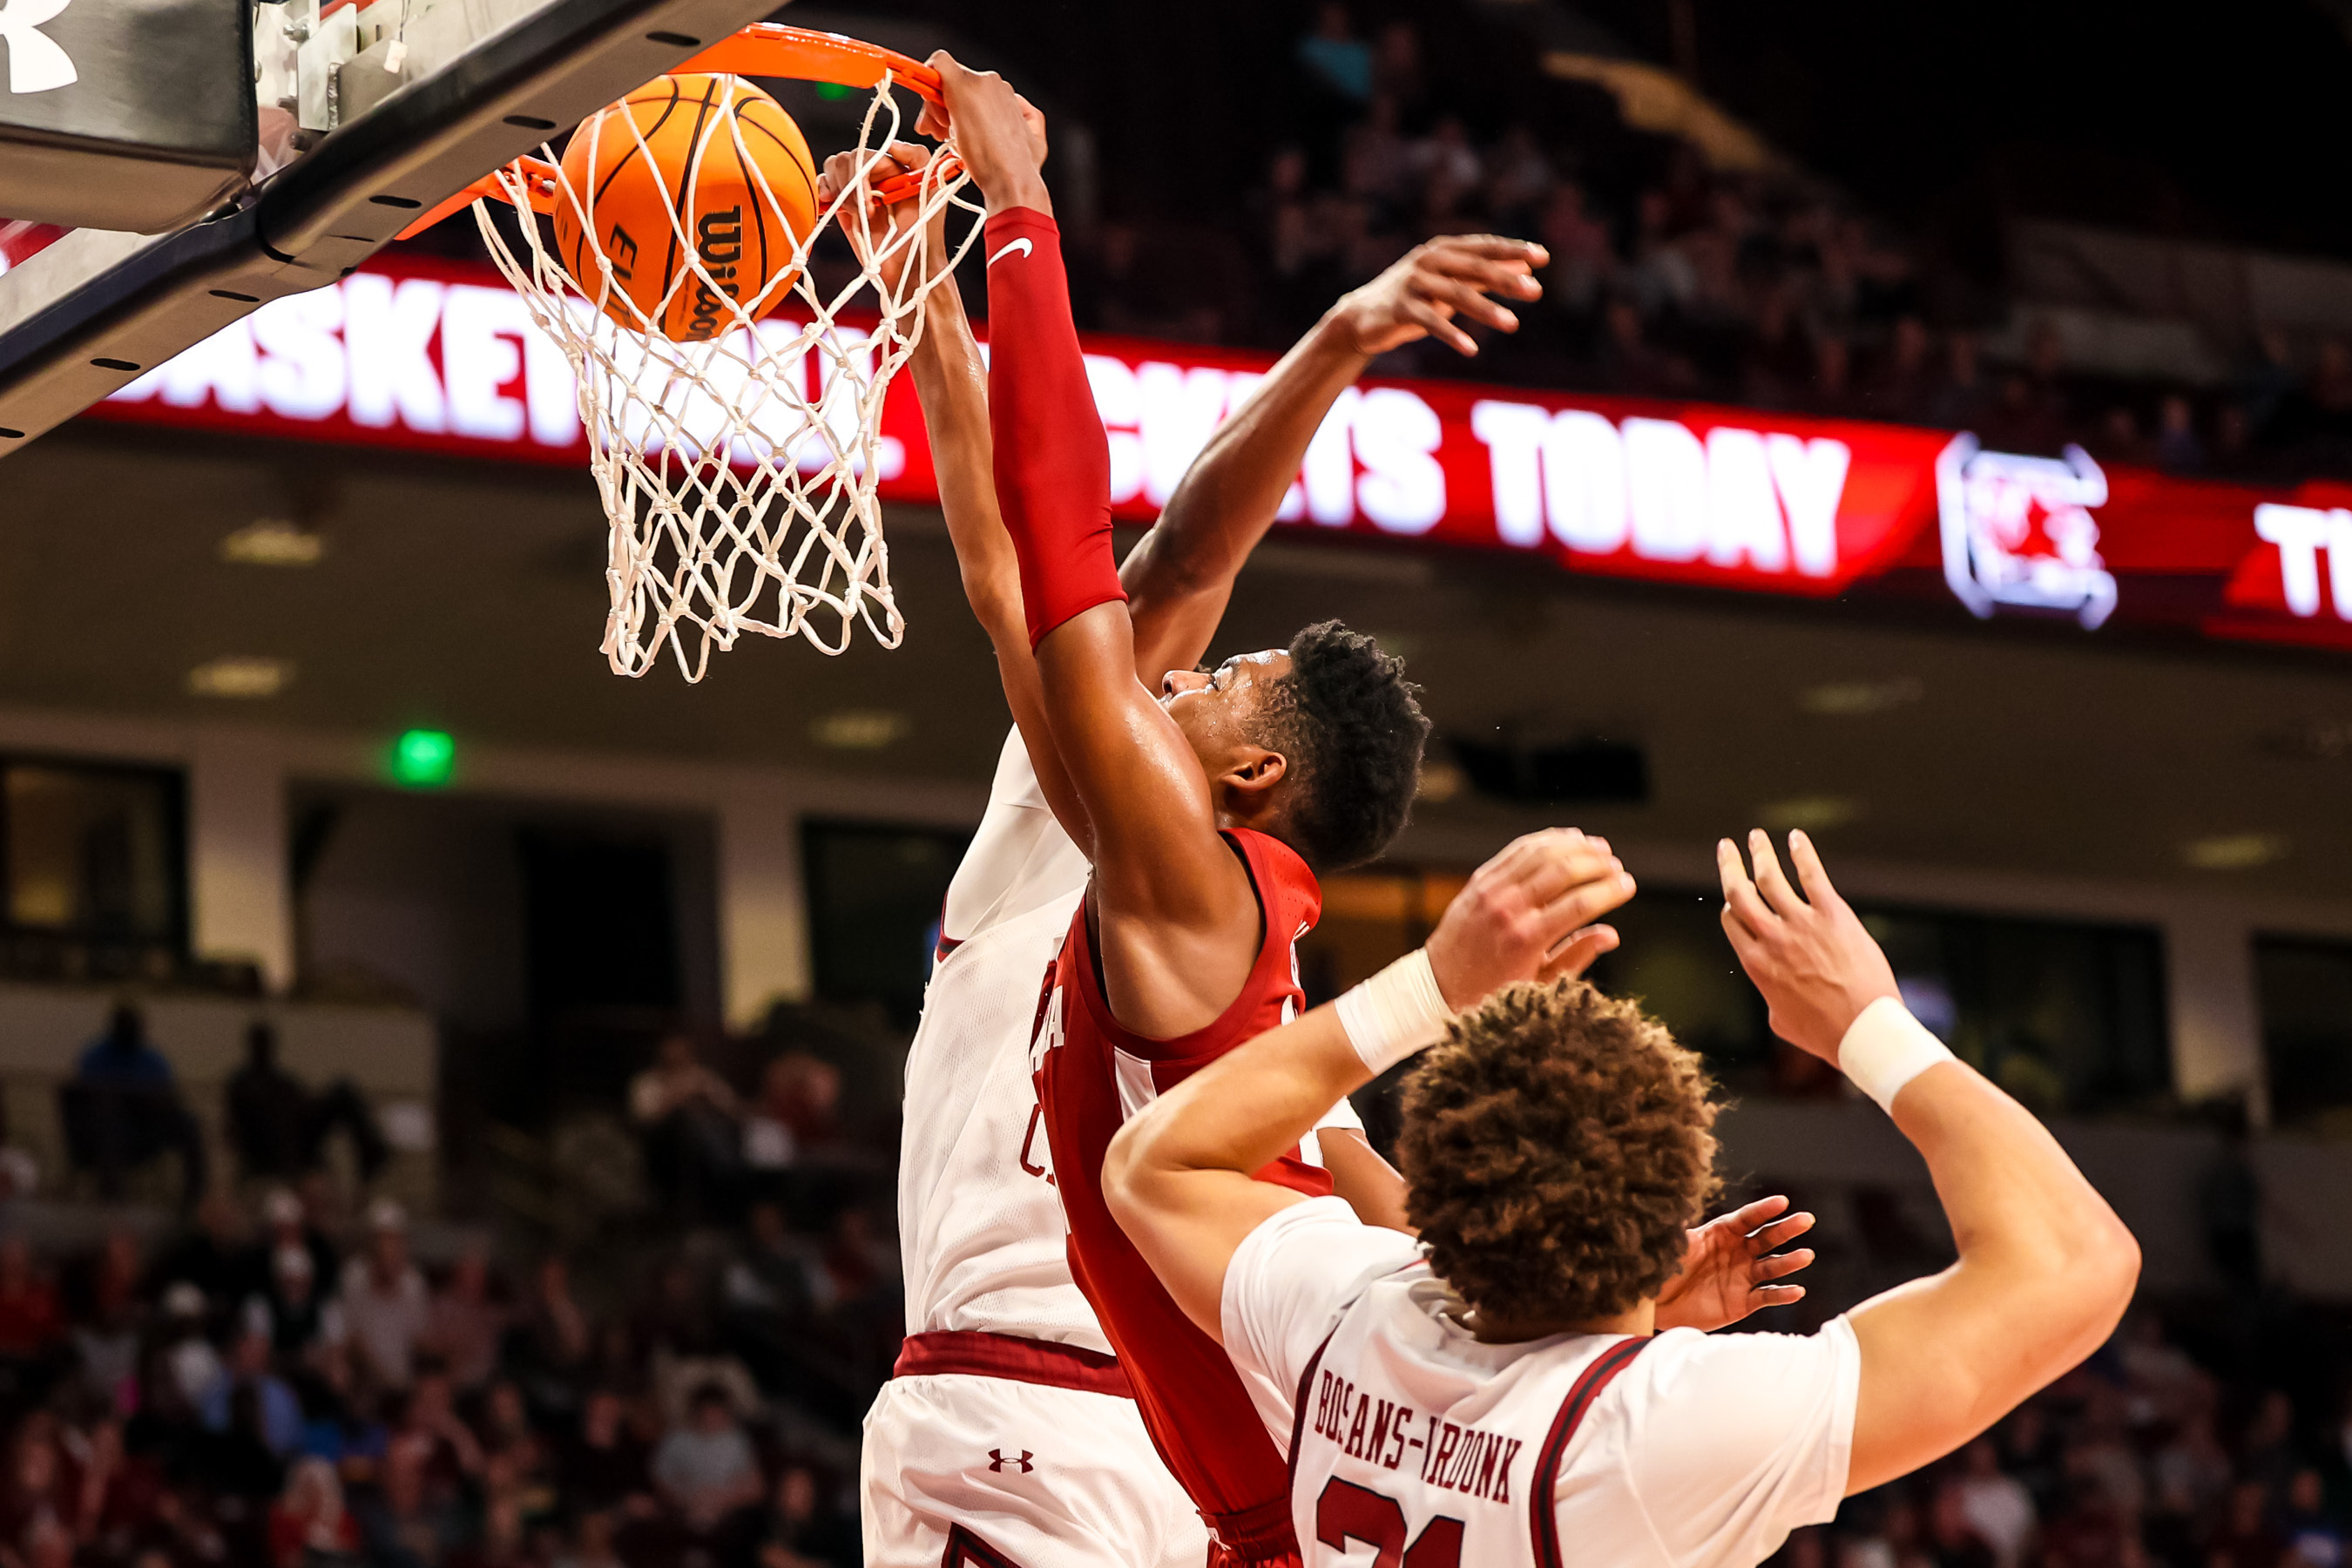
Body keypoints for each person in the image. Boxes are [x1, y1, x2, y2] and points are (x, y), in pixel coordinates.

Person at [819, 93, 1633, 1568]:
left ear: (1253, 776)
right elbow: (1062, 566)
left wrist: (1006, 224)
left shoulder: (1138, 844)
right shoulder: (1270, 1013)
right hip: (1185, 1467)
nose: (1181, 665)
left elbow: (1053, 570)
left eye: (1225, 678)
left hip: (1024, 1422)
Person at [1103, 827, 2142, 1568]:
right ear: (1658, 1230)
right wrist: (1868, 1025)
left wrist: (1432, 985)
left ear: (1437, 1202)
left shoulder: (1351, 1315)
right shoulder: (1658, 1433)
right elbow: (2076, 1262)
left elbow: (1155, 1163)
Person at [64, 1004, 206, 1203]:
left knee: (189, 1123)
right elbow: (86, 1098)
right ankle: (113, 1199)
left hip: (146, 1133)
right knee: (107, 1121)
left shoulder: (153, 1061)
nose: (128, 1031)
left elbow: (169, 1098)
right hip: (105, 1135)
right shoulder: (95, 1057)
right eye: (124, 1026)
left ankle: (194, 1198)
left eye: (133, 1026)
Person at [224, 1022, 389, 1186]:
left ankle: (372, 1151)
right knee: (278, 1116)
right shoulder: (242, 1084)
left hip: (301, 1139)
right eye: (260, 1042)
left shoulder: (283, 1080)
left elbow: (302, 1104)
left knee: (343, 1091)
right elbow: (235, 1128)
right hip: (268, 1150)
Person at [337, 1200, 430, 1392]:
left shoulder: (413, 1284)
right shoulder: (353, 1276)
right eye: (382, 1240)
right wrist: (377, 1373)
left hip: (402, 1384)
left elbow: (420, 1339)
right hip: (363, 1380)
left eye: (394, 1240)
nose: (388, 1248)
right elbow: (349, 1336)